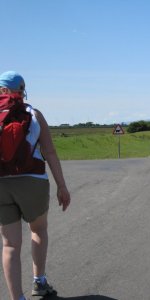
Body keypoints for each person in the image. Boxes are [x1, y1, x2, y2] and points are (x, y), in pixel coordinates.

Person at [0, 71, 71, 300]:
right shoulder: (34, 114)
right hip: (33, 181)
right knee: (38, 230)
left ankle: (16, 298)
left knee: (10, 244)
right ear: (22, 90)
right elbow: (49, 152)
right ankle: (39, 282)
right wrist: (62, 186)